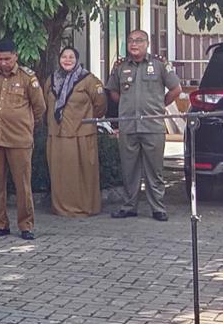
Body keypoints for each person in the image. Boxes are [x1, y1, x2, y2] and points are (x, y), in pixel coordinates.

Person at [105, 28, 186, 220]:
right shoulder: (120, 66)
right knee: (129, 169)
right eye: (131, 40)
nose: (134, 44)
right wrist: (126, 106)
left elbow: (176, 89)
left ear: (147, 43)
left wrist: (159, 105)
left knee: (154, 170)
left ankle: (157, 208)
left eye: (139, 40)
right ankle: (129, 206)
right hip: (128, 125)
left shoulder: (159, 64)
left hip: (152, 126)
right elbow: (113, 91)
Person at [0, 38, 47, 240]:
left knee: (22, 185)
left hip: (19, 139)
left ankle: (26, 225)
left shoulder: (27, 77)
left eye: (7, 59)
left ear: (15, 56)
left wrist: (25, 125)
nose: (3, 63)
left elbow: (40, 107)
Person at [47, 48, 103, 217]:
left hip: (81, 134)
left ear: (77, 59)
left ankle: (85, 207)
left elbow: (100, 105)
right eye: (64, 56)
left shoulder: (89, 80)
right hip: (57, 134)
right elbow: (44, 104)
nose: (67, 60)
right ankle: (61, 207)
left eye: (71, 57)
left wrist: (84, 120)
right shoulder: (51, 80)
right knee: (60, 174)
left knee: (83, 173)